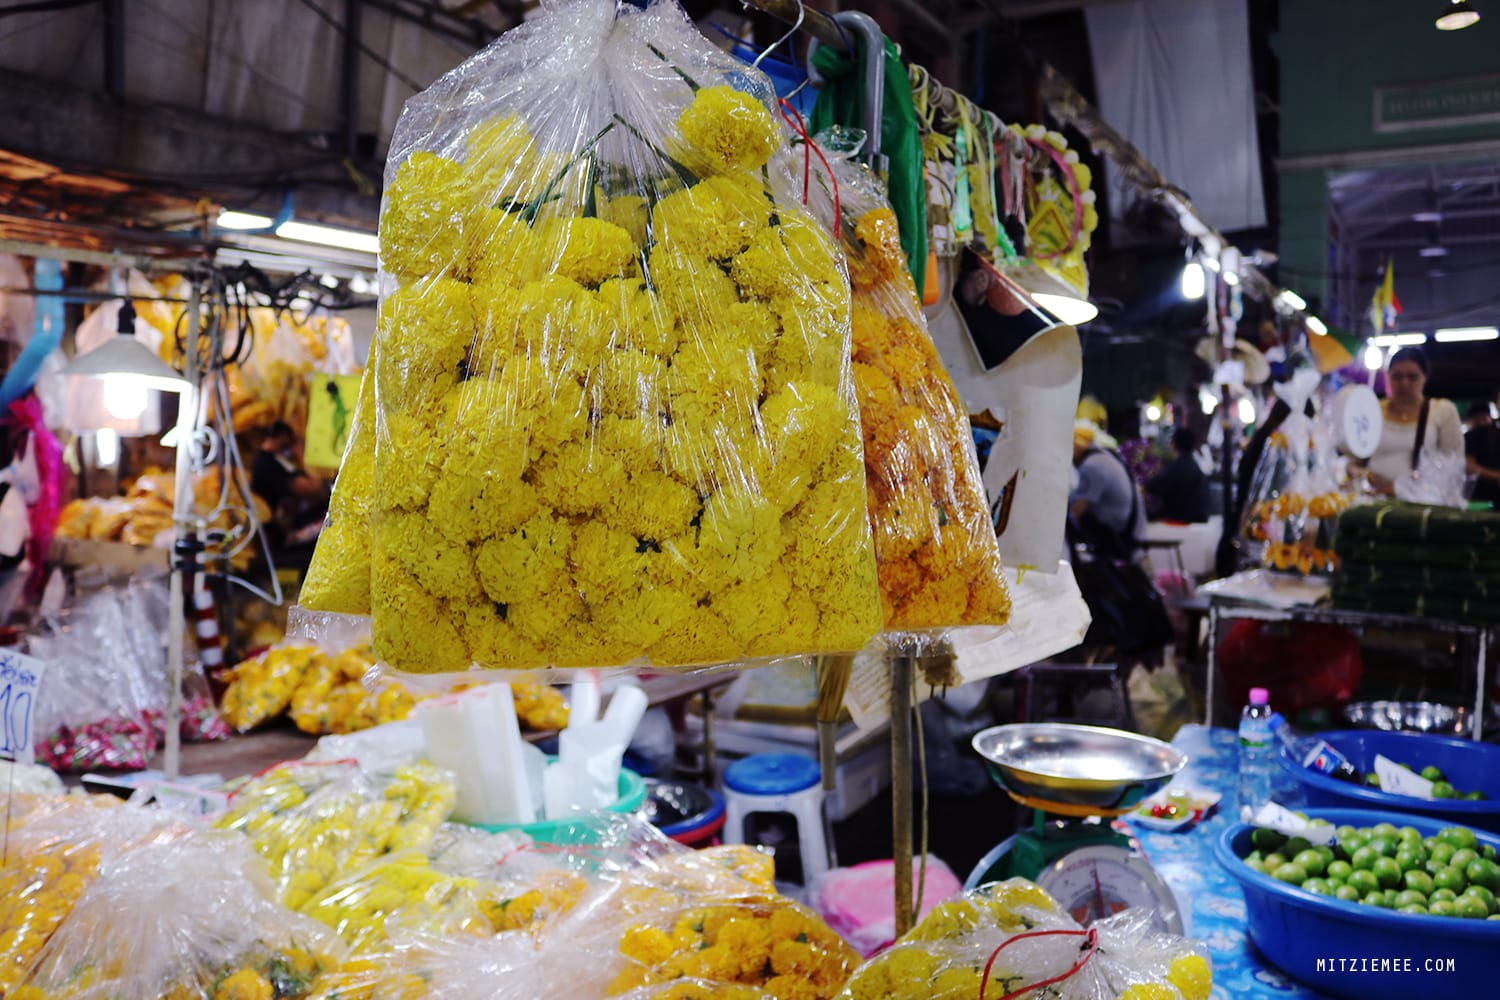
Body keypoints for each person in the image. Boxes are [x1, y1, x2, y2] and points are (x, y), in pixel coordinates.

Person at [1366, 346, 1462, 495]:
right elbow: (1354, 458)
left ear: (1425, 377)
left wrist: (1402, 489)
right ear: (1388, 376)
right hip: (1374, 496)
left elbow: (1454, 466)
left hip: (1421, 500)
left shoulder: (1443, 411)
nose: (1404, 383)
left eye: (1412, 377)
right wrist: (1357, 472)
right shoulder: (1373, 409)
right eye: (1397, 376)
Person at [1069, 420, 1146, 559]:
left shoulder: (1093, 465)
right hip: (1131, 536)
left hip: (1119, 541)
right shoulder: (1105, 457)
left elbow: (1076, 511)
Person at [250, 420, 328, 545]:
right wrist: (301, 454)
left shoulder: (277, 459)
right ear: (284, 435)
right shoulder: (267, 465)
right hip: (286, 537)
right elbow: (315, 490)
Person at [1146, 426, 1211, 523]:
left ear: (1173, 444)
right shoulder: (1193, 465)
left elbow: (1151, 487)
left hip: (1182, 521)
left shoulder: (1177, 467)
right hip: (1197, 519)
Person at [1465, 396, 1500, 505]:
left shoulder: (1495, 433)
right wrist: (1496, 476)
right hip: (1481, 499)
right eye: (1477, 418)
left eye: (1484, 417)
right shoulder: (1472, 437)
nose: (1481, 421)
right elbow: (1469, 466)